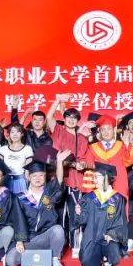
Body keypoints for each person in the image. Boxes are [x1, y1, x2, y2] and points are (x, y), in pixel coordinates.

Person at [9, 154, 70, 266]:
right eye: (34, 175)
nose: (38, 178)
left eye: (41, 175)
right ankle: (44, 254)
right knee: (11, 260)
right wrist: (20, 240)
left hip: (46, 237)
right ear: (28, 177)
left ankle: (54, 258)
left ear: (45, 176)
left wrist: (59, 162)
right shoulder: (21, 198)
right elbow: (18, 221)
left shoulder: (49, 193)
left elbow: (59, 182)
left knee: (58, 230)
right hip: (30, 239)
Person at [47, 98, 93, 250]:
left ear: (78, 120)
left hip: (75, 179)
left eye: (74, 118)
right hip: (58, 177)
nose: (71, 120)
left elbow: (86, 159)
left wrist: (82, 165)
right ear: (64, 118)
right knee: (58, 212)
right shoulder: (58, 131)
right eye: (68, 117)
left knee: (75, 212)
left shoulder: (82, 138)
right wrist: (57, 100)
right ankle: (58, 246)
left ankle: (75, 245)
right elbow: (49, 117)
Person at [76, 162, 129, 266]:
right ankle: (97, 259)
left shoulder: (118, 199)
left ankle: (108, 257)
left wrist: (112, 235)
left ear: (106, 177)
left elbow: (121, 222)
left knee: (113, 254)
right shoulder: (88, 198)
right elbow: (83, 221)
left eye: (97, 177)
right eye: (94, 177)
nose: (94, 179)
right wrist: (79, 213)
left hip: (108, 238)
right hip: (92, 238)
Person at [0, 122, 35, 195]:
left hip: (21, 181)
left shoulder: (27, 149)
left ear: (22, 134)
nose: (15, 134)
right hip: (5, 180)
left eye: (18, 132)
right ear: (9, 134)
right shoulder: (3, 149)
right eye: (12, 132)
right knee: (5, 201)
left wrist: (31, 185)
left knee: (20, 201)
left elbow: (28, 171)